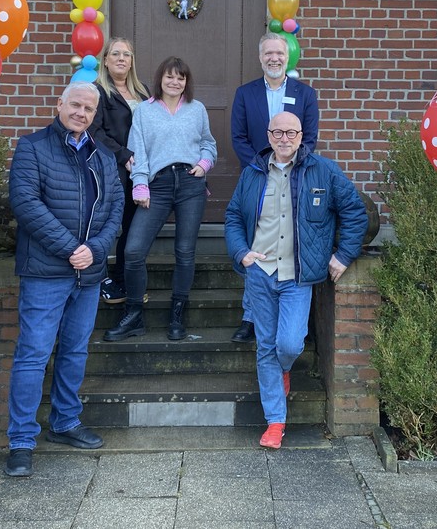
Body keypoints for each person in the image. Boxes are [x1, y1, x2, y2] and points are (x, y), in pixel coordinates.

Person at [3, 81, 124, 478]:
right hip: (46, 272)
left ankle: (66, 422)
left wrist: (96, 250)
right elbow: (25, 203)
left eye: (89, 109)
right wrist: (71, 247)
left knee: (74, 352)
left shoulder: (102, 156)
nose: (81, 113)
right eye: (75, 105)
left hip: (87, 274)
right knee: (34, 355)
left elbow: (115, 208)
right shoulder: (32, 147)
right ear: (60, 104)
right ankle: (21, 440)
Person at [224, 111, 366, 450]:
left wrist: (343, 255)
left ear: (302, 136)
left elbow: (355, 211)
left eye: (292, 132)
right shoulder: (252, 173)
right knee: (265, 346)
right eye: (277, 132)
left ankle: (283, 369)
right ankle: (275, 421)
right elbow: (232, 215)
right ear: (269, 136)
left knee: (288, 344)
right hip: (260, 272)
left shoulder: (323, 170)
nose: (284, 138)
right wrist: (241, 251)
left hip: (297, 276)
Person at [104, 56, 218, 342]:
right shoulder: (145, 110)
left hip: (191, 184)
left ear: (186, 82)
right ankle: (133, 315)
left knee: (184, 252)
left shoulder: (197, 109)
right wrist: (139, 184)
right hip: (158, 185)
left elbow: (208, 143)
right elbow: (137, 149)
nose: (175, 82)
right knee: (132, 251)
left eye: (180, 77)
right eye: (169, 76)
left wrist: (204, 164)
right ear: (160, 79)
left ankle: (177, 314)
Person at [228, 32, 320, 343]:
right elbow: (238, 137)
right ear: (260, 58)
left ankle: (287, 322)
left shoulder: (305, 94)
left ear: (288, 57)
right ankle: (250, 316)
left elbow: (309, 139)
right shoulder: (245, 93)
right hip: (258, 180)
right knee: (256, 243)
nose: (274, 59)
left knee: (284, 243)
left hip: (293, 178)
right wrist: (260, 165)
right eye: (268, 54)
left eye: (279, 53)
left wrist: (287, 161)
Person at [91, 37, 150, 304]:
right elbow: (95, 132)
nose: (121, 59)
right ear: (105, 59)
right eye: (115, 54)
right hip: (113, 171)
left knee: (131, 228)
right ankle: (100, 278)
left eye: (127, 54)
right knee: (106, 225)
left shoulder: (144, 92)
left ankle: (125, 279)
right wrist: (123, 155)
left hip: (140, 173)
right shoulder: (97, 92)